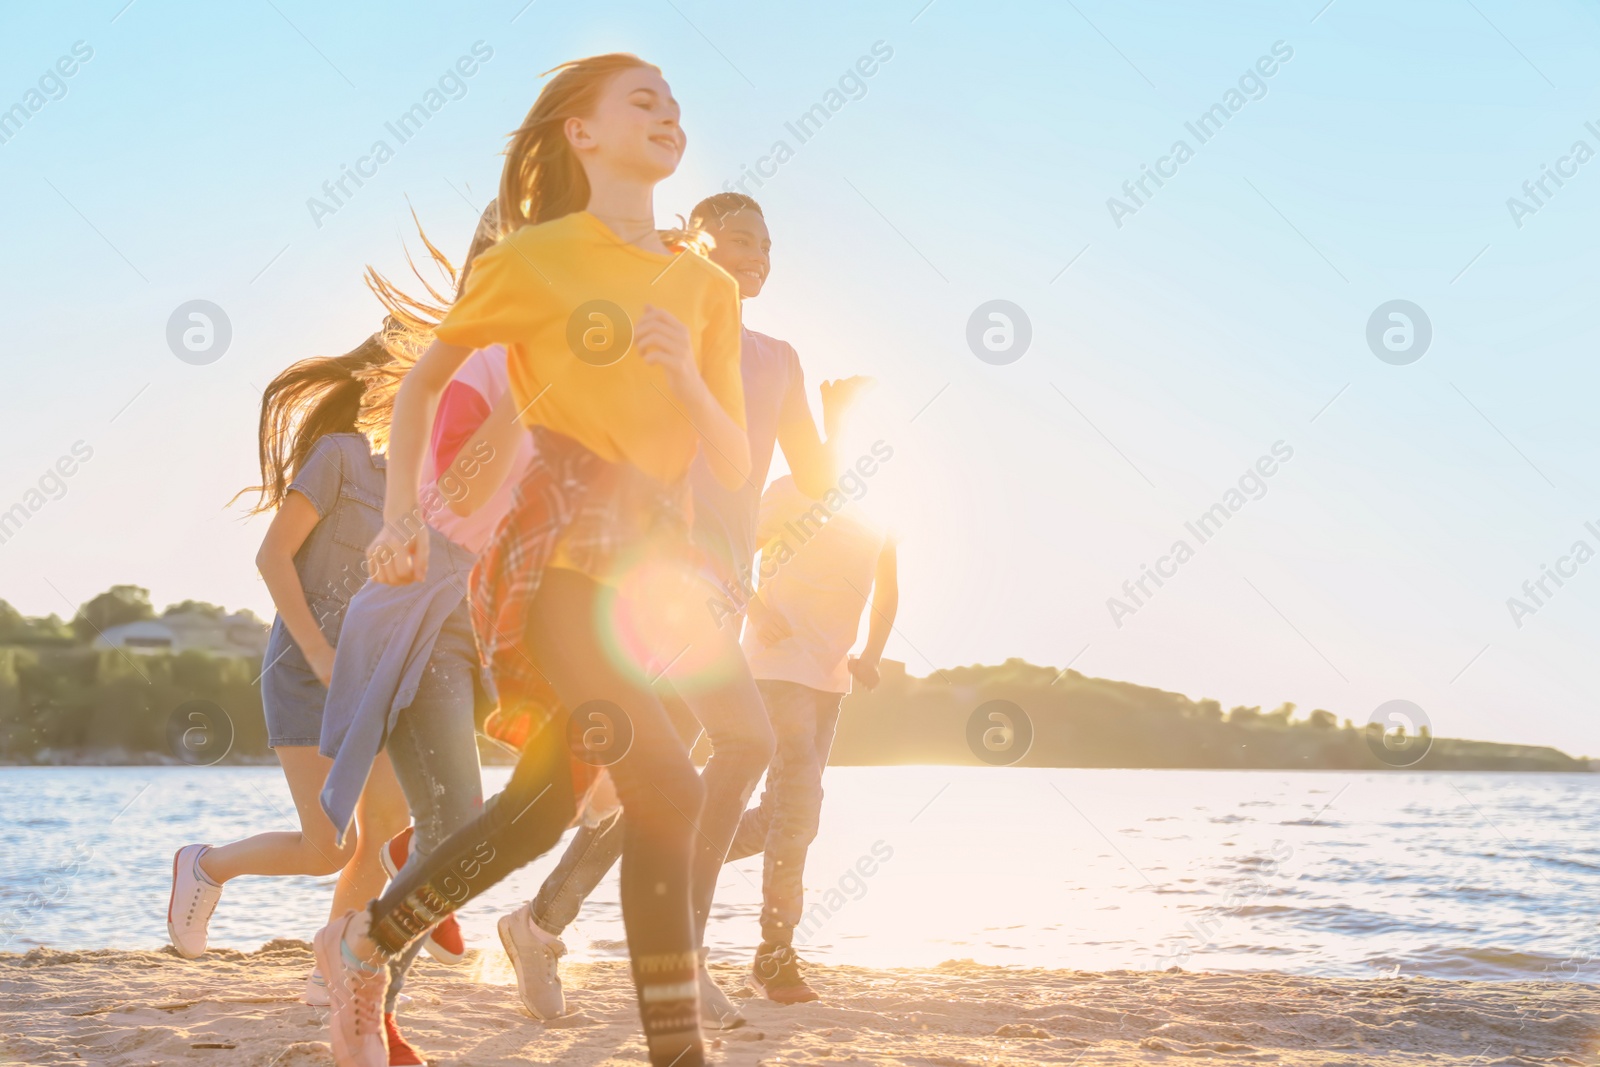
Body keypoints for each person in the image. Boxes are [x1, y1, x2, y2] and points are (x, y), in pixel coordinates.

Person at [313, 54, 752, 1067]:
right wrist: (397, 520)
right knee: (670, 787)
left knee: (542, 808)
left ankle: (367, 939)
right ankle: (678, 1052)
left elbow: (727, 457)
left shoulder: (705, 287)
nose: (667, 111)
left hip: (652, 578)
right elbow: (421, 389)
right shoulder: (534, 259)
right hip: (557, 567)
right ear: (579, 134)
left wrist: (685, 375)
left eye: (676, 103)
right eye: (641, 97)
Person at [497, 192, 868, 1024]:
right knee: (744, 740)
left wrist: (836, 426)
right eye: (740, 237)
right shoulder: (663, 331)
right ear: (700, 243)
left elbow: (812, 484)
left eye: (768, 242)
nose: (758, 253)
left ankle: (539, 921)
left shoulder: (779, 357)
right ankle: (679, 955)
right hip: (656, 579)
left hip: (721, 589)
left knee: (659, 785)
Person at [311, 208, 534, 1065]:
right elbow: (461, 501)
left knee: (495, 815)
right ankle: (368, 1006)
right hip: (425, 609)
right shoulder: (478, 366)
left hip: (497, 619)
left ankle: (374, 958)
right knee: (456, 820)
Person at [165, 334, 412, 1007]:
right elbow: (273, 558)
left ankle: (332, 969)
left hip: (377, 677)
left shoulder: (422, 481)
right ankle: (205, 864)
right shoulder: (337, 458)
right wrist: (319, 651)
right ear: (388, 383)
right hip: (307, 673)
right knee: (330, 844)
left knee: (384, 829)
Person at [728, 465, 898, 1003]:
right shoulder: (791, 492)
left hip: (830, 679)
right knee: (800, 810)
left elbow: (887, 590)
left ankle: (679, 853)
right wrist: (755, 608)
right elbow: (730, 559)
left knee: (778, 815)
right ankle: (773, 955)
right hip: (777, 667)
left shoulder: (882, 509)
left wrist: (869, 656)